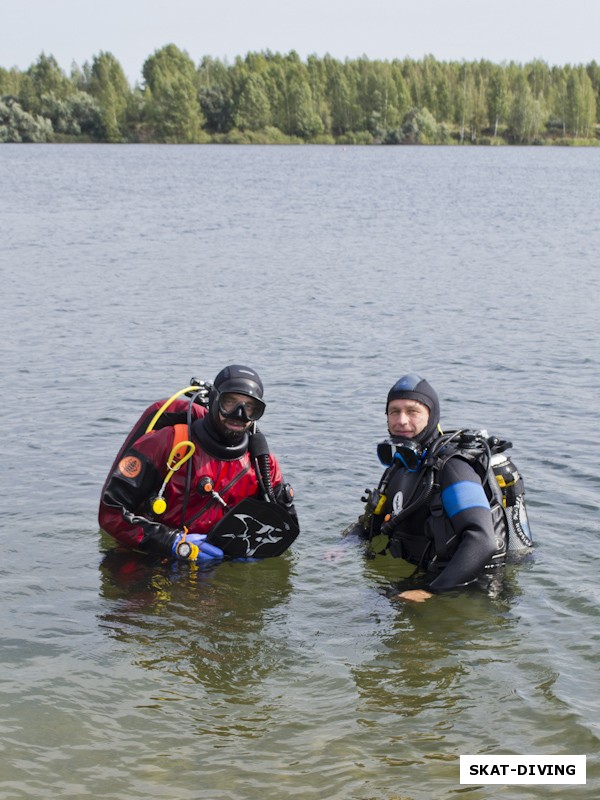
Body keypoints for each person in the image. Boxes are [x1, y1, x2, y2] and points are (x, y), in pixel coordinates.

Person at [351, 374, 532, 602]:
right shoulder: (401, 464)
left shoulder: (452, 468)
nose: (402, 420)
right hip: (421, 577)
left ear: (432, 415)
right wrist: (345, 544)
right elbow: (374, 519)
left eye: (412, 411)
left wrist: (430, 591)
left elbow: (481, 539)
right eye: (394, 411)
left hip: (467, 589)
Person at [99, 365, 298, 563]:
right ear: (214, 400)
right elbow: (111, 512)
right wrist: (173, 543)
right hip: (152, 560)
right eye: (230, 403)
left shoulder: (262, 463)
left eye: (249, 408)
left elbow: (286, 526)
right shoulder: (167, 443)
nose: (239, 414)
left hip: (219, 567)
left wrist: (256, 548)